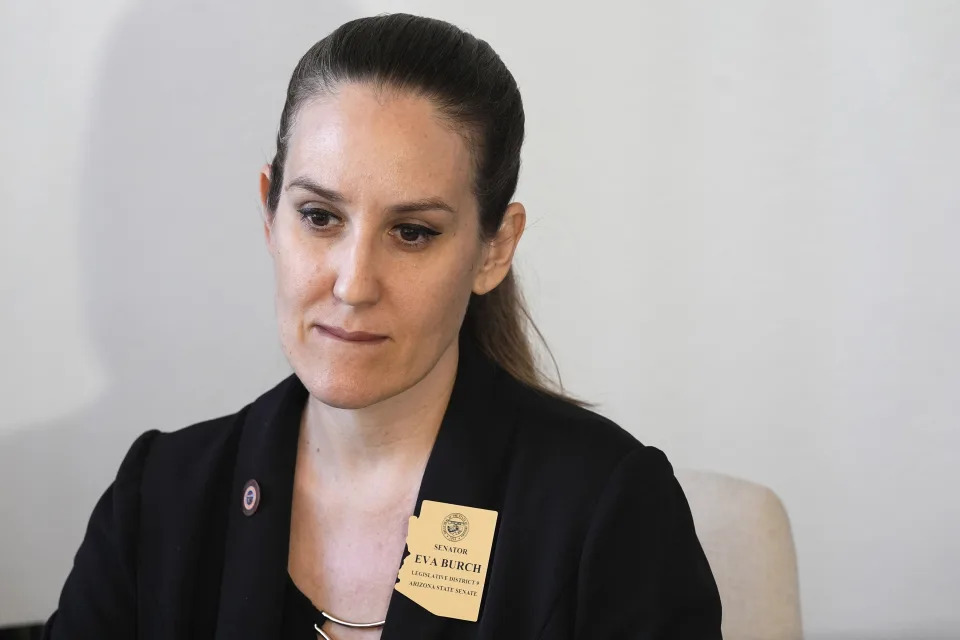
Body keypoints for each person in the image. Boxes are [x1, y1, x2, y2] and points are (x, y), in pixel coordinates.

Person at [42, 13, 722, 640]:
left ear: (495, 248)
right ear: (269, 212)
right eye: (319, 216)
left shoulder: (608, 512)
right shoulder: (159, 498)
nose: (354, 283)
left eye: (412, 232)